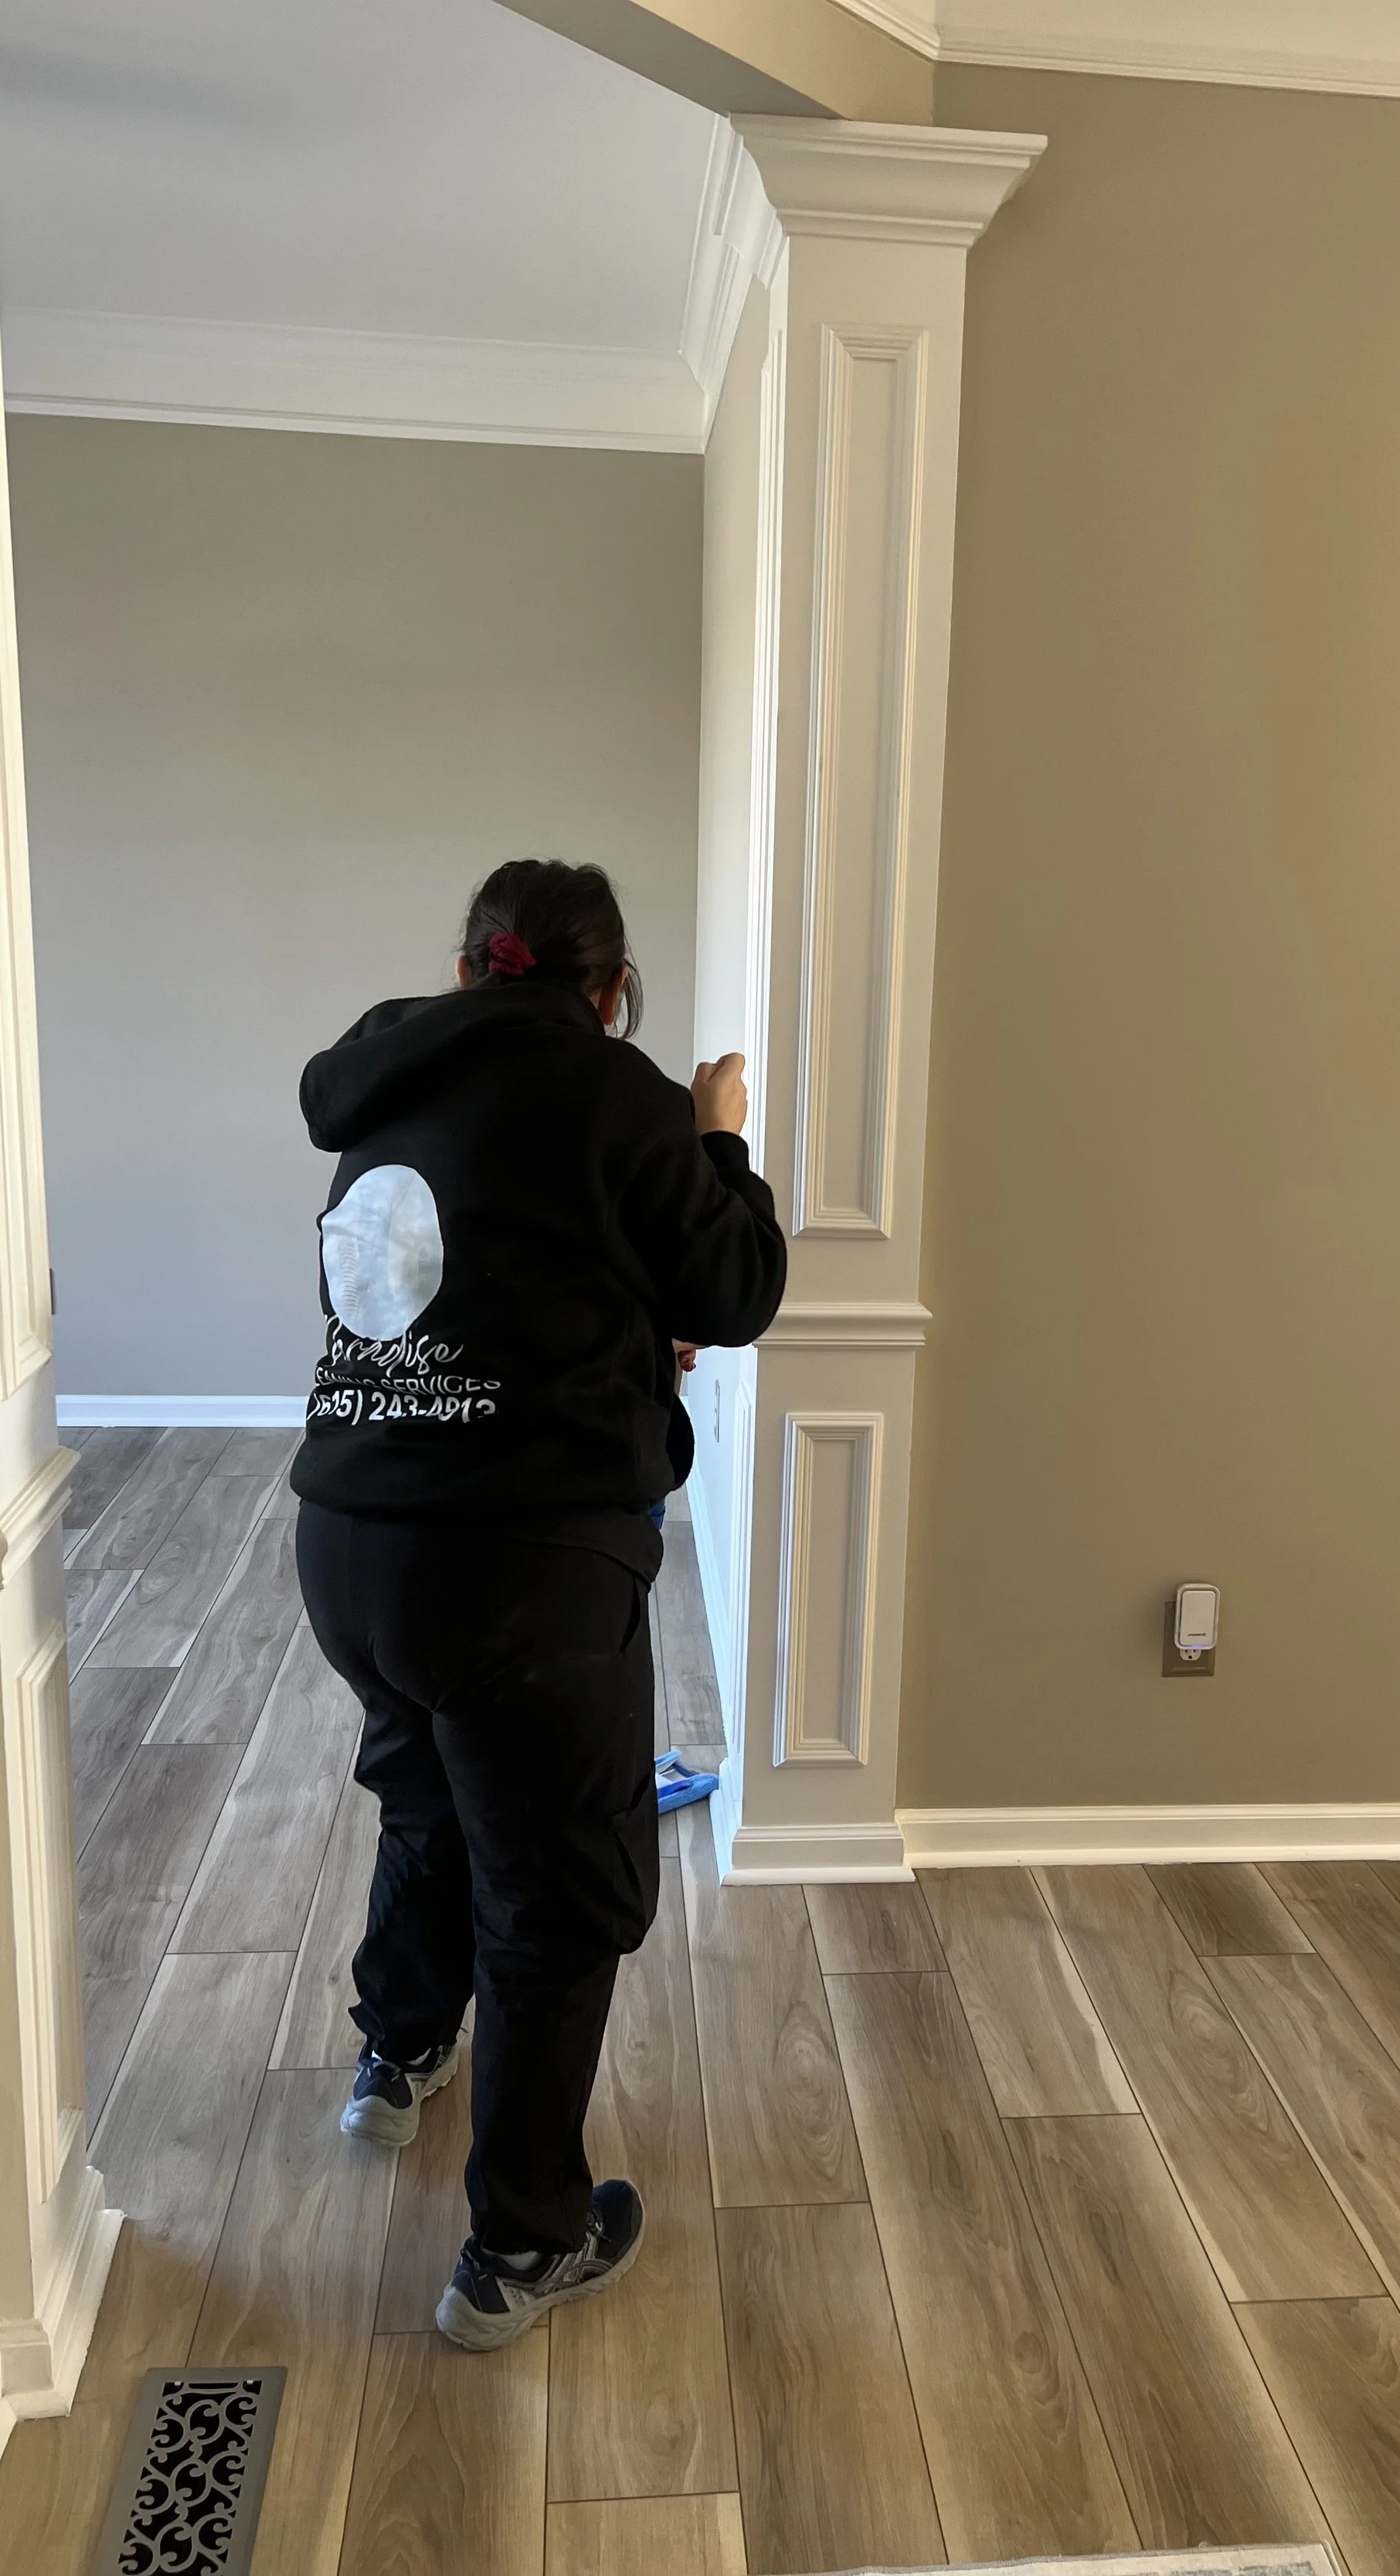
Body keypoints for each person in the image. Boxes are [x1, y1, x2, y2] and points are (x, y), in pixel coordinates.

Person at [288, 859, 786, 2351]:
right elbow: (736, 1290)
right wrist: (720, 1141)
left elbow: (454, 1273)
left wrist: (622, 1330)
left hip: (354, 1542)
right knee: (558, 1903)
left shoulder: (378, 1077)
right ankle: (520, 2246)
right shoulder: (623, 1097)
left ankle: (396, 2059)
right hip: (524, 1572)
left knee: (428, 1799)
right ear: (613, 990)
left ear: (468, 967)